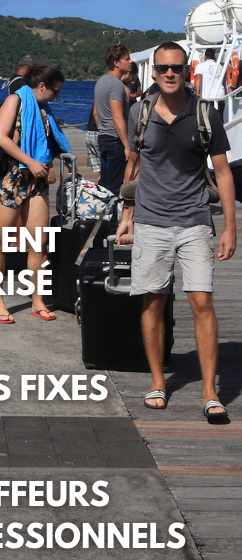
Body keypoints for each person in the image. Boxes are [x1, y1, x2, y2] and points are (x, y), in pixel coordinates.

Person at [119, 42, 236, 422]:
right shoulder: (141, 111)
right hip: (151, 220)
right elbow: (133, 166)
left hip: (194, 220)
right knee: (153, 301)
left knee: (201, 301)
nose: (170, 74)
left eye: (177, 68)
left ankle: (208, 390)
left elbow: (222, 172)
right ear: (153, 72)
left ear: (187, 71)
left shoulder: (205, 113)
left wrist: (230, 226)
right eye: (164, 68)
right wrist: (128, 212)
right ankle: (157, 381)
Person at [0, 64, 70, 324]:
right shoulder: (15, 100)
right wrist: (30, 161)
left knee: (39, 243)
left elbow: (48, 141)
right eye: (55, 91)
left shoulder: (45, 109)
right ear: (41, 86)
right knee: (0, 244)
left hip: (36, 182)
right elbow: (1, 137)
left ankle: (38, 300)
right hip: (8, 181)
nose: (57, 97)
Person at [94, 43, 134, 196]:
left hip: (103, 138)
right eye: (127, 58)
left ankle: (102, 217)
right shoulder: (116, 85)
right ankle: (111, 219)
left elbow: (96, 113)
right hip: (115, 140)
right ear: (116, 63)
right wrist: (126, 146)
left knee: (104, 183)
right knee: (114, 187)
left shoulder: (101, 82)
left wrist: (103, 130)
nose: (130, 61)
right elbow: (117, 117)